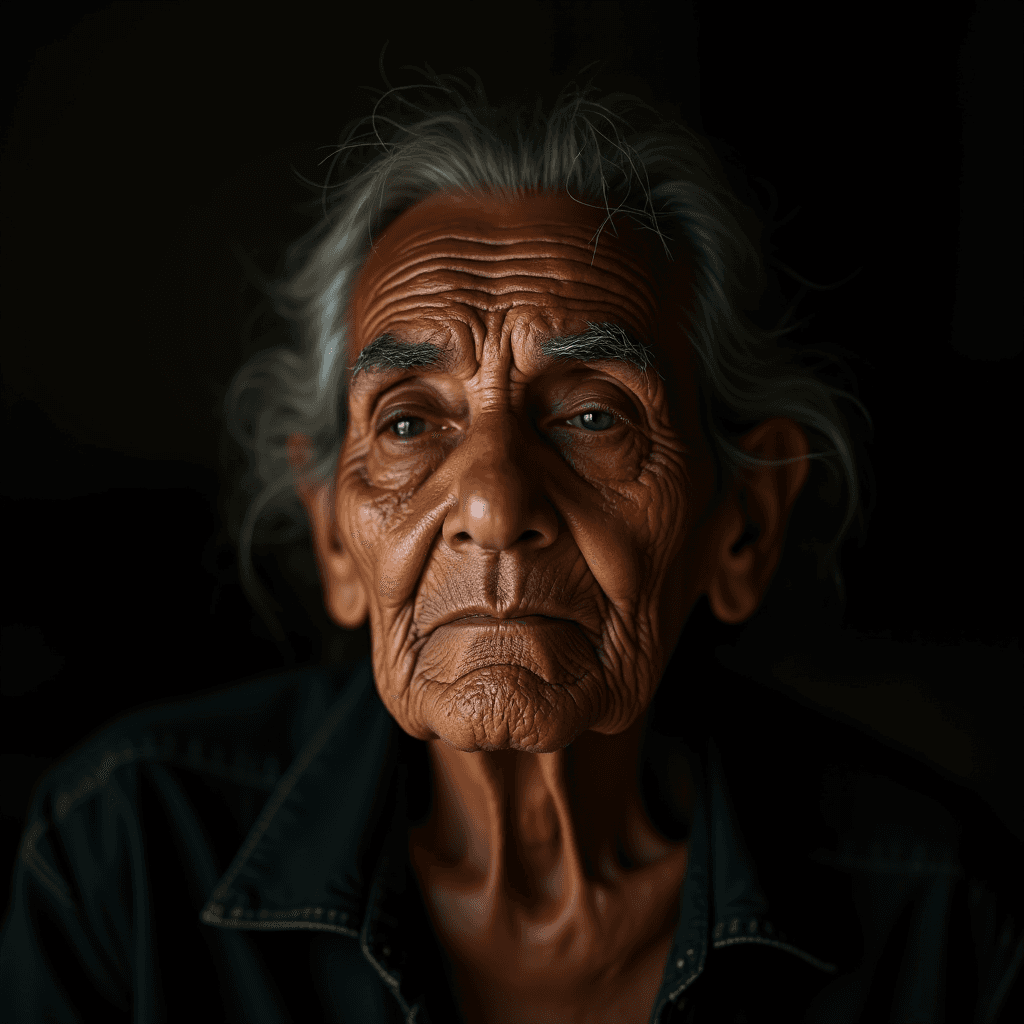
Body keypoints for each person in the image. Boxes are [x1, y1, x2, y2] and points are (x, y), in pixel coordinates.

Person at [2, 77, 1020, 1023]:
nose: (491, 502)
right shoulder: (123, 860)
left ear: (741, 523)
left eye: (590, 417)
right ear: (332, 535)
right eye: (406, 424)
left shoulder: (940, 924)